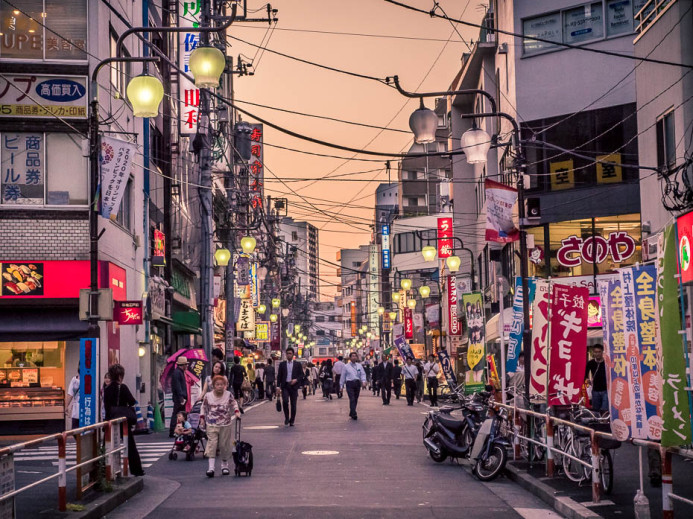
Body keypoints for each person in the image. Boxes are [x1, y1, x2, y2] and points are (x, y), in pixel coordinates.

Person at [104, 364, 144, 476]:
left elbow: (106, 407)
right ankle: (137, 470)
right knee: (130, 445)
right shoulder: (123, 387)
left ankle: (103, 471)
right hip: (123, 422)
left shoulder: (107, 390)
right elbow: (132, 401)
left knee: (106, 446)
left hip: (111, 421)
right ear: (120, 376)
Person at [199, 375, 240, 477]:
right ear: (213, 386)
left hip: (225, 423)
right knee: (212, 444)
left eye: (222, 384)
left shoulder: (228, 394)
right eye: (217, 384)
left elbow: (234, 403)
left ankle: (224, 466)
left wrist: (236, 411)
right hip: (211, 423)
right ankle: (211, 468)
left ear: (225, 385)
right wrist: (202, 418)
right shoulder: (208, 396)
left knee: (224, 445)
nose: (220, 386)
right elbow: (203, 407)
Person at [276, 347, 304, 426]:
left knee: (293, 404)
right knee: (285, 401)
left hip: (294, 386)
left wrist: (296, 380)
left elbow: (301, 375)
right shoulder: (282, 364)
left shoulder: (297, 364)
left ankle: (292, 420)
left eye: (290, 353)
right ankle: (287, 418)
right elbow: (279, 376)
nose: (288, 355)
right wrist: (278, 386)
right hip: (285, 385)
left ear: (293, 354)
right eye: (287, 353)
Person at [341, 352, 367, 420]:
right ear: (350, 358)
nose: (354, 357)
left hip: (357, 383)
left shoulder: (359, 366)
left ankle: (352, 411)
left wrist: (363, 381)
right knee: (352, 398)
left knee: (355, 398)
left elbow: (363, 374)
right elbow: (343, 376)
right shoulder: (346, 366)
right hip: (349, 383)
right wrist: (341, 386)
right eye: (352, 356)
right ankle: (354, 413)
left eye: (355, 356)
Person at [584, 344, 608, 412]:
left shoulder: (606, 363)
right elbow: (585, 373)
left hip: (606, 390)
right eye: (595, 352)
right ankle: (597, 422)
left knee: (604, 410)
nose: (597, 354)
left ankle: (604, 422)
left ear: (602, 352)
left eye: (599, 352)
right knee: (595, 410)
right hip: (595, 390)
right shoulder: (590, 363)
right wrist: (587, 379)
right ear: (593, 352)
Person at [169, 356, 188, 437]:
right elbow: (178, 386)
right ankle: (173, 430)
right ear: (183, 365)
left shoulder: (178, 372)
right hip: (179, 397)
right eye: (186, 364)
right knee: (177, 414)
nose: (187, 366)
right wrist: (181, 397)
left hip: (179, 397)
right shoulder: (178, 373)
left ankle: (180, 429)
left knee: (179, 414)